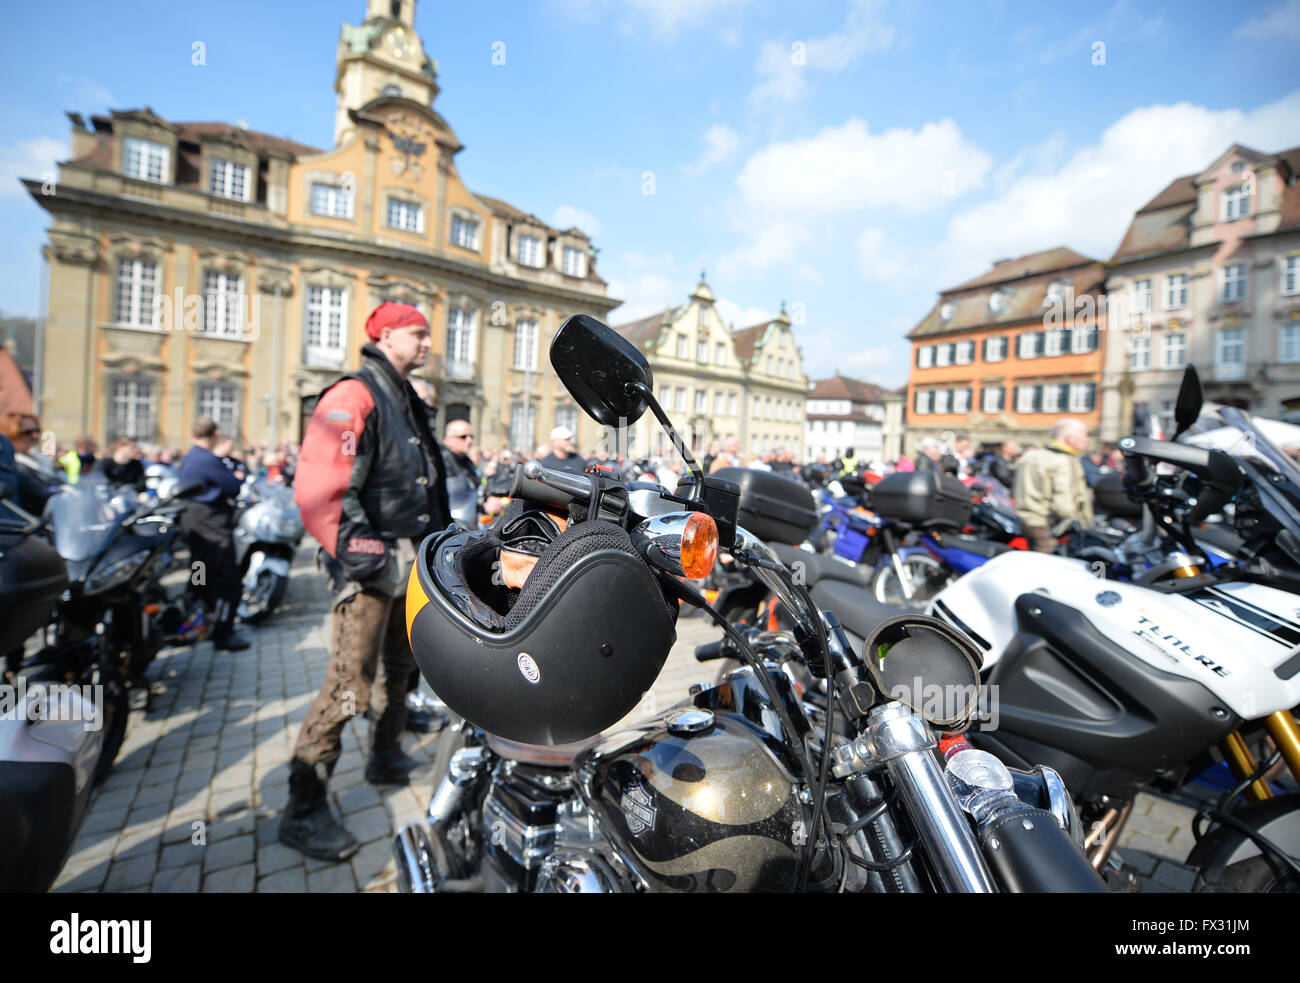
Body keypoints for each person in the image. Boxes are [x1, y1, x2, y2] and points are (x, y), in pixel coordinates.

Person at [282, 301, 450, 862]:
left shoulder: (403, 394)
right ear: (384, 334)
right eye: (417, 334)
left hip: (411, 566)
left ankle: (384, 756)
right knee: (349, 685)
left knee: (404, 667)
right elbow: (320, 490)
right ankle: (302, 811)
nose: (427, 343)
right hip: (373, 569)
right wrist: (368, 559)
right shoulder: (352, 395)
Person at [178, 419, 249, 651]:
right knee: (226, 579)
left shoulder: (190, 456)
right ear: (216, 434)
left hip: (193, 521)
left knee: (200, 573)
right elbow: (233, 487)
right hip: (212, 523)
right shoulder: (208, 459)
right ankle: (223, 632)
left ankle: (197, 622)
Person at [1014, 418, 1094, 553]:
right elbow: (1065, 504)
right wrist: (1080, 524)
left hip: (1029, 520)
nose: (1088, 440)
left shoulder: (1033, 455)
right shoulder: (1063, 460)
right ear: (1070, 438)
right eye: (1085, 435)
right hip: (1049, 526)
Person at [0, 412, 60, 514]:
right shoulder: (14, 466)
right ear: (10, 433)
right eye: (27, 432)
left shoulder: (41, 460)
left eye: (37, 430)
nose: (35, 436)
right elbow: (39, 496)